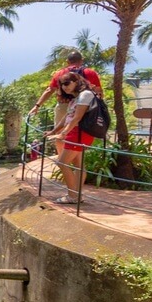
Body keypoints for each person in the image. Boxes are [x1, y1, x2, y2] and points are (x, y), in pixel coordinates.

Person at [44, 71, 100, 204]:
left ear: (76, 82)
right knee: (78, 165)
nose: (64, 87)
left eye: (67, 83)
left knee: (62, 163)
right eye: (62, 84)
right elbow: (67, 117)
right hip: (76, 133)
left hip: (78, 133)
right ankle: (76, 195)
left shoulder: (85, 95)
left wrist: (63, 133)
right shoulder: (76, 98)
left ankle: (73, 196)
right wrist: (54, 131)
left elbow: (77, 118)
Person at [29, 50, 104, 126]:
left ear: (67, 61)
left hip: (64, 105)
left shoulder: (60, 73)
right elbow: (99, 92)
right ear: (81, 61)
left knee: (59, 131)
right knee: (82, 132)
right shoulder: (91, 73)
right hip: (84, 107)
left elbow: (49, 90)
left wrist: (37, 106)